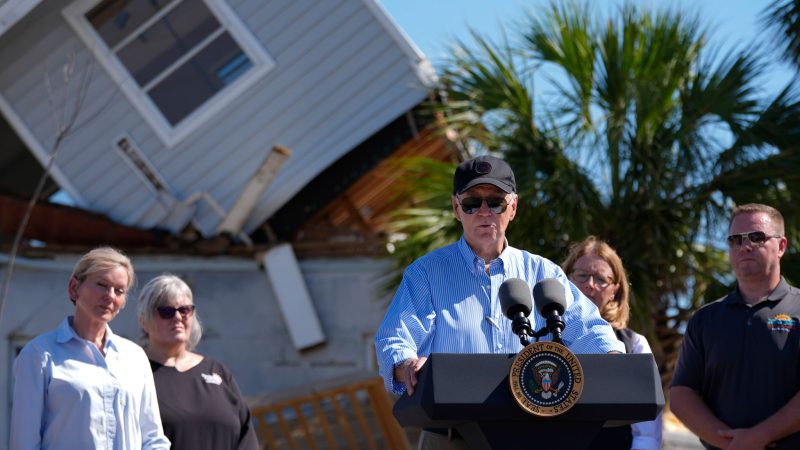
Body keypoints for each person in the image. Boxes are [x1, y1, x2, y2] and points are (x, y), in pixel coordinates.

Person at [375, 155, 624, 449]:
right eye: (471, 203)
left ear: (513, 207)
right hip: (451, 438)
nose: (484, 212)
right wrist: (408, 366)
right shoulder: (426, 273)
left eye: (495, 202)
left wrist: (613, 361)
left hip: (533, 434)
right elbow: (394, 338)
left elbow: (589, 330)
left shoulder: (544, 273)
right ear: (457, 208)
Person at [10, 247, 170, 449]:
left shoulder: (135, 357)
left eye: (119, 290)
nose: (110, 296)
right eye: (102, 285)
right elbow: (24, 444)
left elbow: (153, 438)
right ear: (74, 288)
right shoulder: (39, 354)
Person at [670, 203, 800, 450]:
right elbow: (681, 394)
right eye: (735, 240)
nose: (745, 246)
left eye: (756, 237)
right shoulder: (705, 319)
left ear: (781, 246)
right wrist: (731, 443)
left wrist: (759, 437)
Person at [562, 236, 663, 450]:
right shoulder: (543, 337)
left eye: (600, 279)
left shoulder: (633, 344)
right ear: (566, 279)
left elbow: (647, 432)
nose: (590, 285)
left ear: (615, 290)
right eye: (581, 276)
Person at [137, 274, 259, 450]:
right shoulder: (135, 373)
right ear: (144, 321)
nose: (177, 317)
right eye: (166, 311)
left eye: (185, 310)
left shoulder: (217, 371)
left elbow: (246, 435)